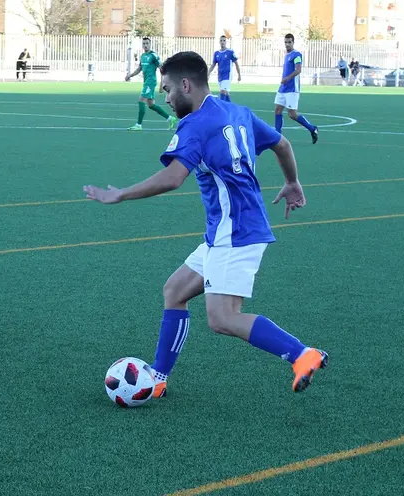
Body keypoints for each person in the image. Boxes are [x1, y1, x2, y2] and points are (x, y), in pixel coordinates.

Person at [83, 51, 328, 397]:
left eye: (168, 89)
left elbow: (173, 177)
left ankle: (302, 354)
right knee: (175, 291)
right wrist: (292, 181)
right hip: (227, 230)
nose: (166, 98)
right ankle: (158, 377)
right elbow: (282, 144)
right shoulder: (237, 112)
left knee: (223, 317)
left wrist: (120, 194)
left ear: (185, 85)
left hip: (235, 232)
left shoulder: (195, 125)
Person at [125, 37, 178, 131]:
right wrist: (130, 75)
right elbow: (139, 69)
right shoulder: (143, 56)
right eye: (144, 43)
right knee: (151, 105)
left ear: (150, 44)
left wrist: (162, 84)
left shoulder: (153, 55)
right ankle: (170, 118)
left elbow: (162, 69)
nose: (145, 45)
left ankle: (138, 125)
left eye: (147, 43)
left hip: (150, 82)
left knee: (141, 100)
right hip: (146, 82)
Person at [274, 34, 318, 143]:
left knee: (292, 114)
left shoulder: (296, 55)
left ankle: (312, 129)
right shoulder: (286, 55)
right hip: (283, 88)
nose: (287, 44)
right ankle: (278, 136)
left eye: (289, 42)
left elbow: (298, 70)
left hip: (292, 89)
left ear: (293, 42)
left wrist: (287, 78)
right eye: (286, 42)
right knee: (277, 110)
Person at [207, 35, 241, 101]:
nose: (222, 42)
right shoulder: (216, 53)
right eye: (221, 40)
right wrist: (208, 73)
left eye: (224, 40)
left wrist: (239, 74)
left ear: (226, 42)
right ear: (219, 42)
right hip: (220, 76)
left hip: (227, 75)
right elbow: (213, 65)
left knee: (223, 91)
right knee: (226, 93)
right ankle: (229, 106)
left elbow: (236, 63)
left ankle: (222, 106)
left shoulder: (230, 52)